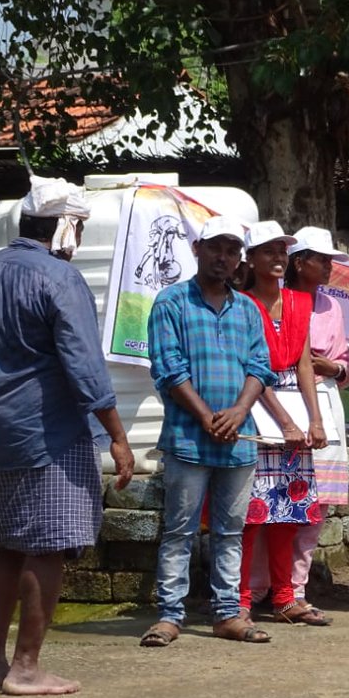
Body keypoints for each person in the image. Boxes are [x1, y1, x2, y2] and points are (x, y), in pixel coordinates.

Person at [0, 175, 135, 695]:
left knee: (8, 545)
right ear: (65, 227)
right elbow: (86, 369)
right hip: (50, 437)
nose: (80, 238)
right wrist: (118, 435)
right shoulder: (60, 280)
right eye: (79, 227)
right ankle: (25, 668)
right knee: (49, 545)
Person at [142, 214, 276, 647]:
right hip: (187, 436)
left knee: (230, 531)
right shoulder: (172, 302)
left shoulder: (249, 309)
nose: (224, 257)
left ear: (240, 258)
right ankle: (169, 615)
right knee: (179, 530)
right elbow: (167, 368)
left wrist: (238, 411)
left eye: (233, 250)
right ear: (197, 249)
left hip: (239, 440)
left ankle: (226, 613)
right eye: (216, 247)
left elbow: (260, 367)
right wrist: (204, 416)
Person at [244, 227, 349, 617]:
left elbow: (340, 366)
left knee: (308, 504)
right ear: (299, 261)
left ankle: (293, 588)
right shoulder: (252, 303)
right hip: (264, 403)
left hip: (318, 406)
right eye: (321, 259)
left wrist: (335, 369)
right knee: (260, 504)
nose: (328, 267)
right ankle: (256, 589)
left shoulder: (326, 307)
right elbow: (258, 364)